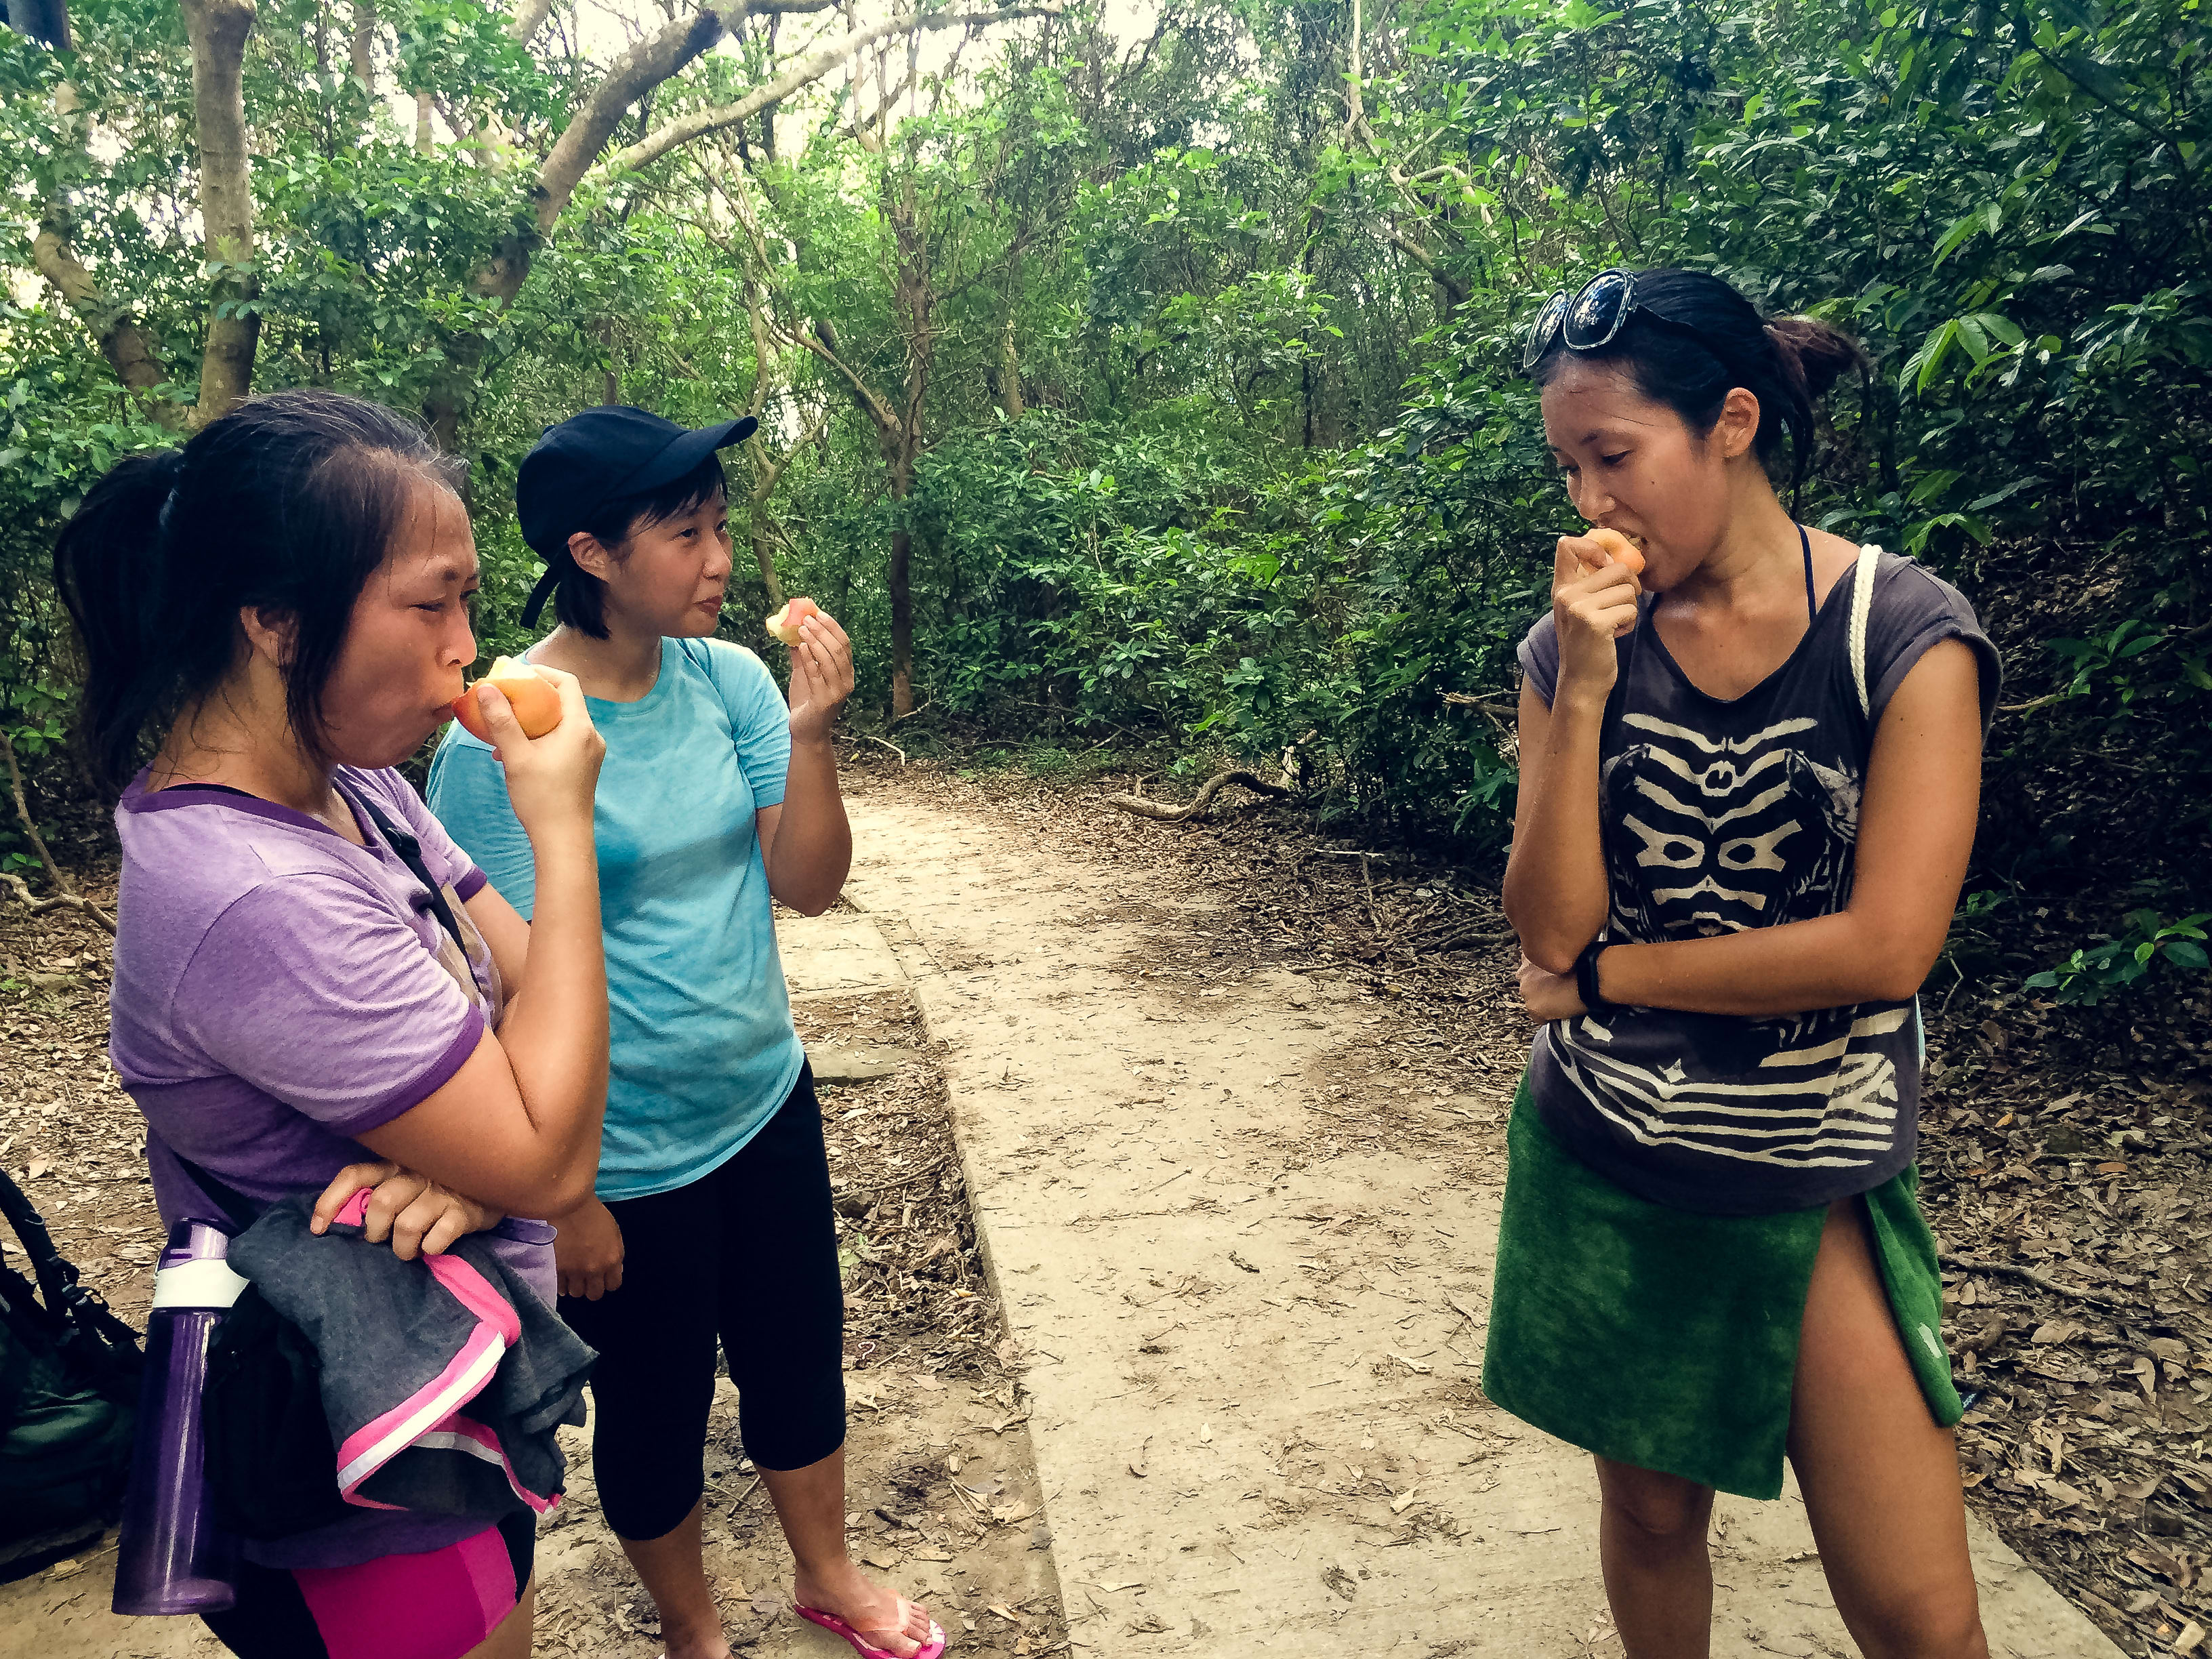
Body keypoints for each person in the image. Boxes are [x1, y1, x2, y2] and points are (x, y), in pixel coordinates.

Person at [1489, 268, 2001, 1659]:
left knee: (1921, 1614)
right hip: (1608, 1151)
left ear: (1728, 422)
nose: (1592, 501)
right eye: (1570, 466)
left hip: (1811, 1164)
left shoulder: (1903, 633)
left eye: (1616, 457)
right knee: (1652, 1522)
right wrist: (1585, 691)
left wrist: (1612, 984)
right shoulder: (1570, 651)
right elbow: (1547, 925)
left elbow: (1888, 947)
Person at [55, 388, 611, 1659]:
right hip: (358, 1486)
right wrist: (563, 827)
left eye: (469, 603)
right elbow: (553, 1144)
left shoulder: (352, 789)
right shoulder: (251, 890)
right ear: (275, 620)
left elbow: (541, 1002)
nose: (467, 647)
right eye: (433, 603)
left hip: (446, 1400)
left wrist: (468, 1174)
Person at [426, 406, 942, 1659]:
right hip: (623, 1158)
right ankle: (694, 1629)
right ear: (594, 552)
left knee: (796, 1354)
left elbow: (807, 885)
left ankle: (829, 1577)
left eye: (720, 528)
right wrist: (568, 1195)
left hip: (764, 1101)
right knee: (653, 1409)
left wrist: (812, 736)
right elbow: (505, 986)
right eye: (689, 534)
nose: (721, 560)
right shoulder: (504, 731)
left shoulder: (731, 682)